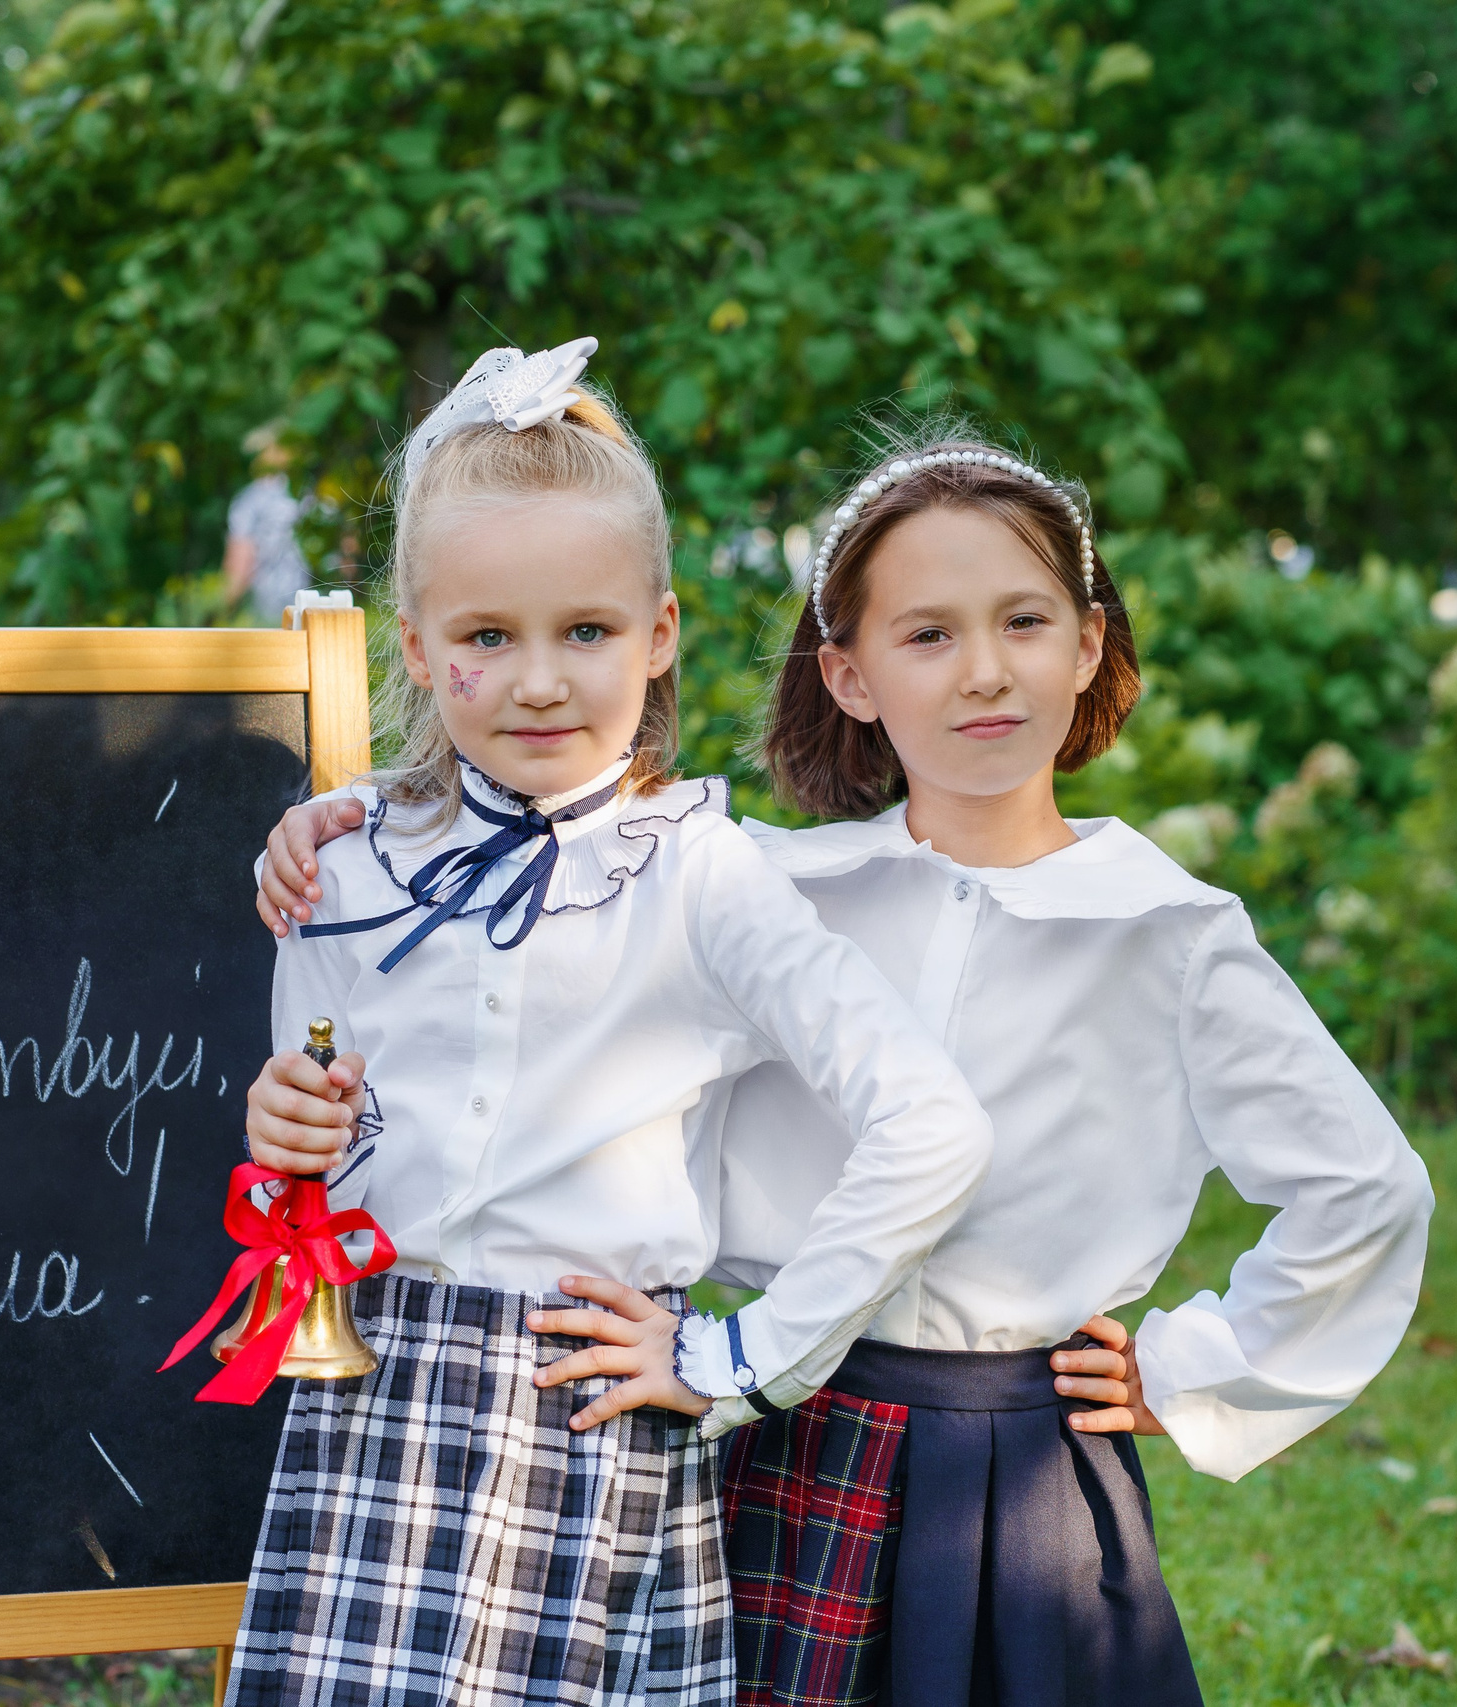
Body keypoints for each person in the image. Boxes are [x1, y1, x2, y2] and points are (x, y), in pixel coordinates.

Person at [256, 428, 1436, 1707]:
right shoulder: (771, 881)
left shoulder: (1167, 932)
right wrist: (359, 820)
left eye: (1025, 621)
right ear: (850, 673)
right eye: (926, 635)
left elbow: (1366, 1190)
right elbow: (566, 893)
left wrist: (1195, 1370)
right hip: (767, 1430)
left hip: (1008, 1465)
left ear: (1089, 644)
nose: (983, 671)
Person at [208, 341, 995, 1706]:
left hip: (585, 1412)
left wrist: (737, 1356)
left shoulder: (701, 875)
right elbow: (328, 1152)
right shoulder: (344, 869)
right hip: (371, 1405)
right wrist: (286, 1136)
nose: (539, 682)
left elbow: (931, 1124)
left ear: (662, 632)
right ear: (417, 645)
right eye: (485, 639)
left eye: (586, 631)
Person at [223, 427, 315, 619]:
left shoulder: (250, 501)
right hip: (316, 605)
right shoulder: (311, 496)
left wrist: (225, 610)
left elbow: (241, 563)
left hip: (268, 608)